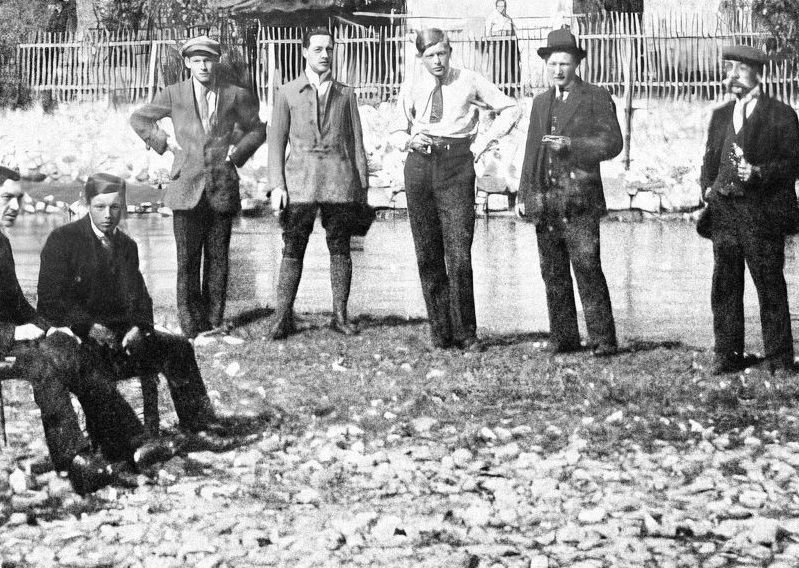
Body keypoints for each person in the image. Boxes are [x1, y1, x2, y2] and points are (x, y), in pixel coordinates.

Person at [0, 166, 154, 493]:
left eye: (18, 198)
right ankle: (75, 460)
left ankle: (125, 448)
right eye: (6, 198)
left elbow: (17, 305)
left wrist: (53, 329)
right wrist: (14, 334)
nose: (15, 206)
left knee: (72, 350)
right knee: (43, 364)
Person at [37, 173, 249, 443]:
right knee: (91, 374)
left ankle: (199, 425)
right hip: (82, 340)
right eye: (100, 207)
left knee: (179, 348)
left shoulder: (127, 246)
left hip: (123, 339)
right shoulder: (63, 240)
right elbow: (50, 301)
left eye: (115, 207)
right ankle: (118, 442)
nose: (108, 215)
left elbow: (140, 298)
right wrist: (88, 327)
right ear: (87, 204)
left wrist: (139, 327)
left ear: (123, 206)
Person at [128, 35, 267, 337]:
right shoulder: (174, 93)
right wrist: (165, 144)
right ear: (188, 63)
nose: (203, 65)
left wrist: (238, 151)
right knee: (187, 261)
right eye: (197, 60)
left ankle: (215, 322)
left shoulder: (235, 94)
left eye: (208, 59)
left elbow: (258, 129)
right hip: (185, 186)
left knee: (218, 259)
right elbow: (139, 118)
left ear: (217, 61)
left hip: (221, 184)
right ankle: (190, 325)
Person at [390, 29, 520, 348]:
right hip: (419, 166)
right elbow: (394, 130)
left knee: (459, 254)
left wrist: (485, 141)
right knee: (427, 252)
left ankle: (466, 333)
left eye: (442, 53)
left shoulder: (469, 80)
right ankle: (440, 331)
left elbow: (511, 108)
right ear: (420, 57)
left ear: (450, 52)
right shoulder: (411, 86)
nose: (437, 61)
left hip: (457, 165)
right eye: (430, 55)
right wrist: (407, 140)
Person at [697, 44, 799, 374]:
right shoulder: (719, 116)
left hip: (762, 213)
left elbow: (795, 163)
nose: (731, 76)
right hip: (724, 213)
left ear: (757, 73)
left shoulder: (781, 114)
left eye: (739, 70)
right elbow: (709, 159)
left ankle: (779, 358)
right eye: (728, 69)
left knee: (769, 284)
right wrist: (706, 186)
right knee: (725, 286)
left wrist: (759, 173)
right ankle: (727, 355)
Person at [517, 27, 623, 356]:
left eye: (564, 64)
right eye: (552, 65)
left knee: (587, 266)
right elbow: (532, 150)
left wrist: (573, 146)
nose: (558, 70)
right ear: (545, 66)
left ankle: (603, 340)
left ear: (576, 64)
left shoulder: (595, 96)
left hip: (581, 198)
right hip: (546, 198)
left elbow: (613, 143)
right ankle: (564, 339)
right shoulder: (540, 103)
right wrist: (523, 194)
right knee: (553, 270)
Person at [265, 28, 371, 339]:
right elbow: (275, 143)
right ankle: (282, 317)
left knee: (340, 248)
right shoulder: (287, 92)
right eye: (318, 49)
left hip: (339, 183)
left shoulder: (345, 93)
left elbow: (357, 143)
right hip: (299, 183)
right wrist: (277, 185)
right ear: (304, 52)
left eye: (329, 49)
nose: (324, 55)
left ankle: (340, 315)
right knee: (292, 247)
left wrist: (361, 188)